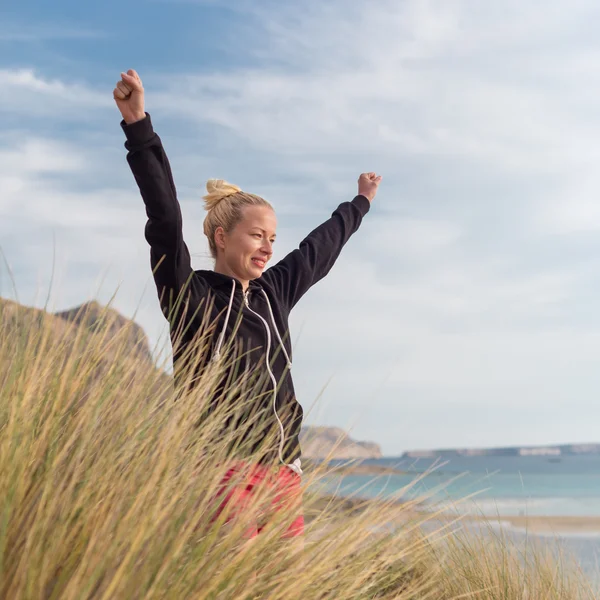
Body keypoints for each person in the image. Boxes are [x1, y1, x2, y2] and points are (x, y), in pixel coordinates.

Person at [114, 69, 382, 541]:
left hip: (284, 469)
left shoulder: (273, 292)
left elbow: (319, 249)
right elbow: (164, 215)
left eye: (272, 238)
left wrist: (359, 203)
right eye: (257, 235)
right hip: (221, 468)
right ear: (222, 237)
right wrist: (139, 126)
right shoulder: (187, 293)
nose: (267, 247)